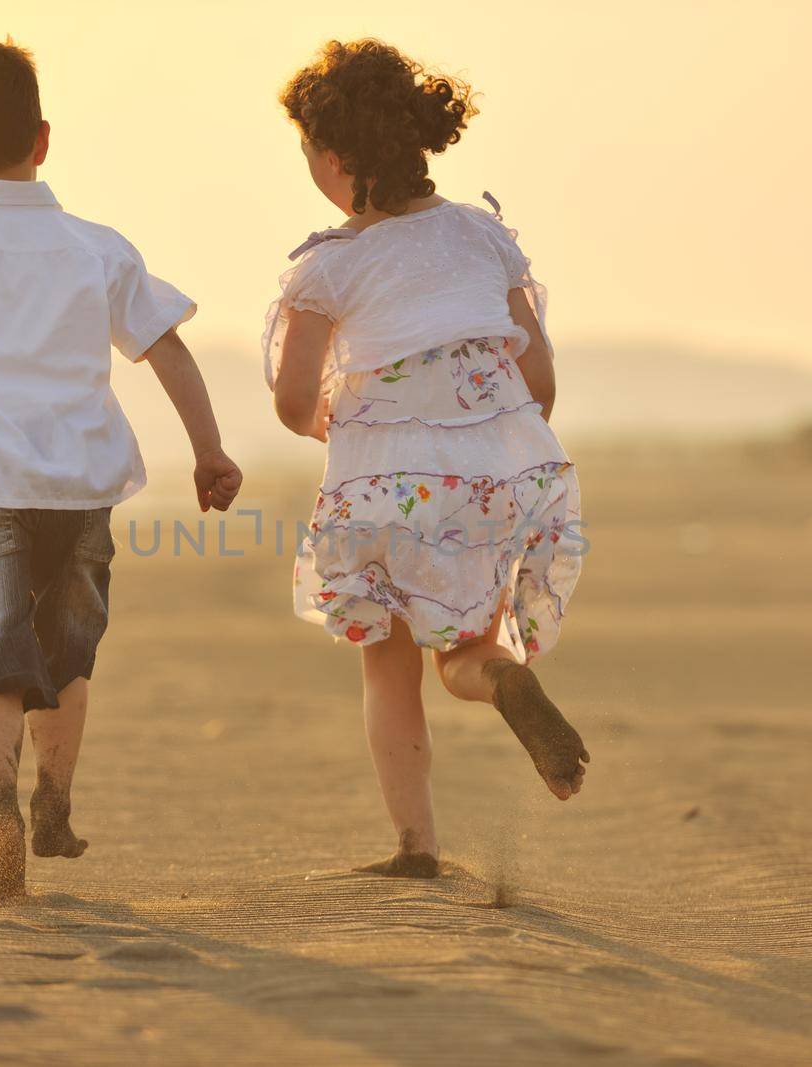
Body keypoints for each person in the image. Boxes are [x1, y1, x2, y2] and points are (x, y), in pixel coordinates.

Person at [0, 38, 242, 901]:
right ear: (41, 140)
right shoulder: (94, 248)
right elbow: (165, 350)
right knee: (65, 651)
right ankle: (55, 797)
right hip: (79, 484)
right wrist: (209, 449)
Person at [265, 40, 588, 879]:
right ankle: (503, 681)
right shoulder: (481, 238)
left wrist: (326, 425)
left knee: (389, 660)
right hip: (492, 473)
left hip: (382, 484)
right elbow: (539, 374)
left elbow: (296, 397)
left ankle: (415, 846)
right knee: (464, 652)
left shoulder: (330, 264)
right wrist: (494, 450)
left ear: (334, 159)